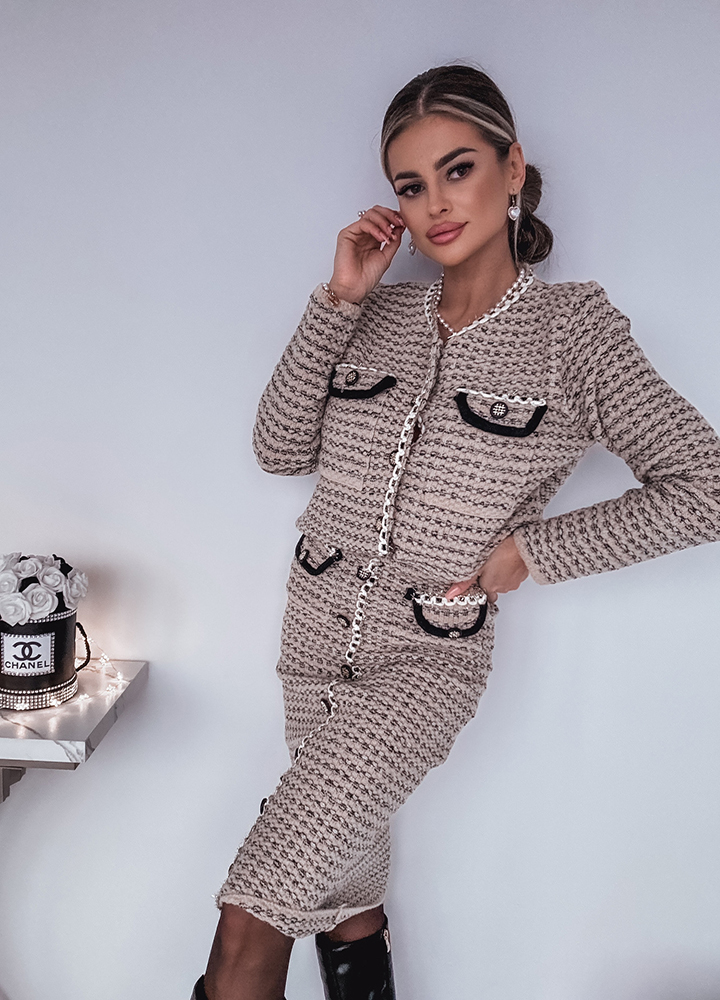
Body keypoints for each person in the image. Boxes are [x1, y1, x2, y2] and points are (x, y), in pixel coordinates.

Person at [192, 64, 720, 1000]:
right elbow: (279, 448)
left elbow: (706, 486)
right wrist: (339, 300)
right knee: (343, 894)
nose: (435, 204)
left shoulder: (572, 334)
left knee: (251, 917)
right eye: (411, 184)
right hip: (310, 648)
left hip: (425, 662)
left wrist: (530, 554)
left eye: (458, 169)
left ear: (513, 169)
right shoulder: (377, 313)